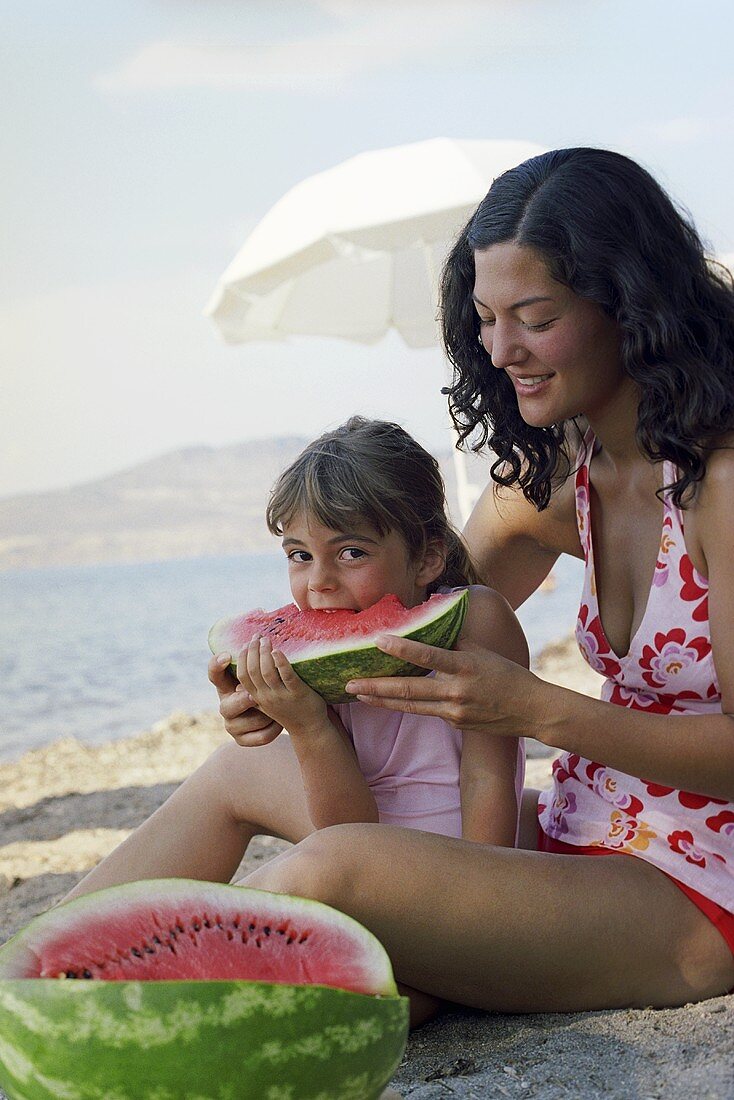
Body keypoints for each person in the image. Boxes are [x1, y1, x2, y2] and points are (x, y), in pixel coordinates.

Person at [67, 147, 734, 1021]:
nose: (500, 350)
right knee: (239, 773)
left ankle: (113, 1010)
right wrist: (292, 686)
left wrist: (534, 709)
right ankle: (34, 978)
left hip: (691, 889)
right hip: (574, 831)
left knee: (337, 871)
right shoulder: (565, 474)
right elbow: (415, 615)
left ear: (628, 305)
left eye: (533, 317)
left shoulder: (719, 485)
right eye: (487, 318)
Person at [65, 416, 527, 899]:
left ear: (428, 558)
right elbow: (346, 827)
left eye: (350, 552)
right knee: (235, 764)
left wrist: (481, 908)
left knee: (238, 775)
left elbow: (488, 780)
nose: (319, 581)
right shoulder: (324, 664)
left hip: (449, 868)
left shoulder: (479, 620)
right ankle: (59, 940)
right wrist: (302, 725)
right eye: (300, 555)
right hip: (361, 840)